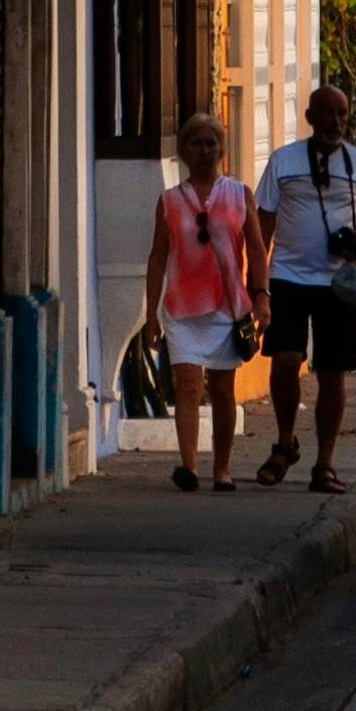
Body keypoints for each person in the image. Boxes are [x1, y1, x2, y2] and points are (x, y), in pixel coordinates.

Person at [255, 80, 356, 496]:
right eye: (327, 113)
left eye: (342, 114)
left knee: (333, 373)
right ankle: (284, 442)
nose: (336, 121)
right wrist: (256, 282)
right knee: (285, 358)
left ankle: (324, 464)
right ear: (310, 117)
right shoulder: (283, 161)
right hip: (288, 276)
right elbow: (264, 220)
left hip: (338, 284)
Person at [142, 110, 267, 493]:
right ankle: (190, 466)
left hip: (228, 308)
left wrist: (261, 297)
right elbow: (158, 257)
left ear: (221, 150)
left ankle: (223, 469)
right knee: (187, 385)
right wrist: (151, 314)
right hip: (181, 309)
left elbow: (258, 251)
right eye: (196, 143)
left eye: (211, 143)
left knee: (223, 389)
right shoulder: (169, 201)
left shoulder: (239, 194)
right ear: (183, 151)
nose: (204, 150)